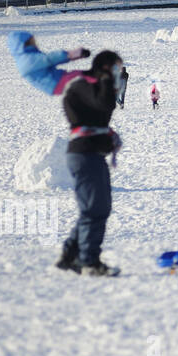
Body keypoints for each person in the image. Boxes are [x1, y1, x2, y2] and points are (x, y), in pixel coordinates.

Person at [56, 50, 124, 276]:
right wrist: (106, 80)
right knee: (95, 210)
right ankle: (88, 261)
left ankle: (70, 254)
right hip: (84, 154)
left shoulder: (89, 86)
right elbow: (105, 104)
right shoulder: (82, 85)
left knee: (96, 208)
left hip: (91, 154)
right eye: (116, 69)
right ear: (105, 68)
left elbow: (103, 110)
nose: (119, 74)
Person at [7, 31, 90, 96]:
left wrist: (73, 57)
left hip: (58, 80)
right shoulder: (27, 60)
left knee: (81, 74)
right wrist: (71, 54)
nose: (35, 44)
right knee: (88, 77)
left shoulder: (28, 57)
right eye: (32, 42)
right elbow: (50, 59)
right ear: (25, 45)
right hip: (56, 82)